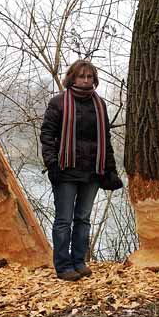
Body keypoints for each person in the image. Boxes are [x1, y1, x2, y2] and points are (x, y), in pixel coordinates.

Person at [40, 60, 121, 281]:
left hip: (92, 171)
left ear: (94, 79)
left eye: (89, 77)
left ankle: (79, 261)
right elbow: (47, 136)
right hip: (65, 171)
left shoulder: (100, 104)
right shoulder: (58, 103)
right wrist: (52, 165)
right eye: (81, 76)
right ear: (72, 78)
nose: (85, 80)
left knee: (83, 219)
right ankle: (63, 266)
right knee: (64, 220)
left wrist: (110, 170)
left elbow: (106, 138)